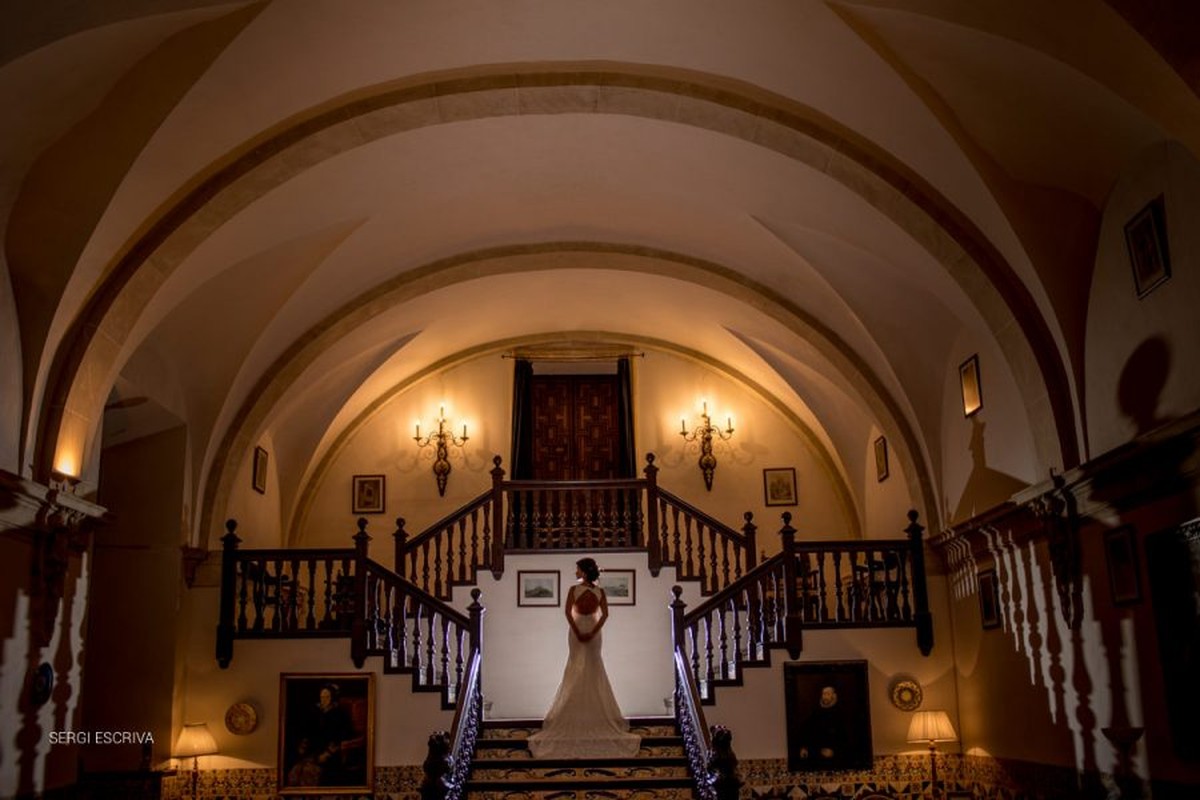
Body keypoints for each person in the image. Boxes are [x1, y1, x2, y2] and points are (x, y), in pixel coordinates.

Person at [527, 557, 641, 759]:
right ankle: (573, 714)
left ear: (585, 571)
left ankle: (596, 717)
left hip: (593, 633)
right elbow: (567, 612)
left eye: (578, 569)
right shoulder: (573, 590)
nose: (575, 572)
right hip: (576, 630)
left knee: (594, 667)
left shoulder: (600, 592)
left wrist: (592, 631)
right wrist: (578, 631)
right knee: (575, 668)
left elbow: (604, 615)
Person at [798, 684, 847, 763]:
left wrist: (834, 752)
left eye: (828, 694)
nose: (825, 696)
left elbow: (844, 739)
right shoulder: (816, 712)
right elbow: (806, 730)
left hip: (834, 759)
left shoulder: (839, 713)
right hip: (815, 754)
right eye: (824, 694)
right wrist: (804, 747)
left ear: (833, 696)